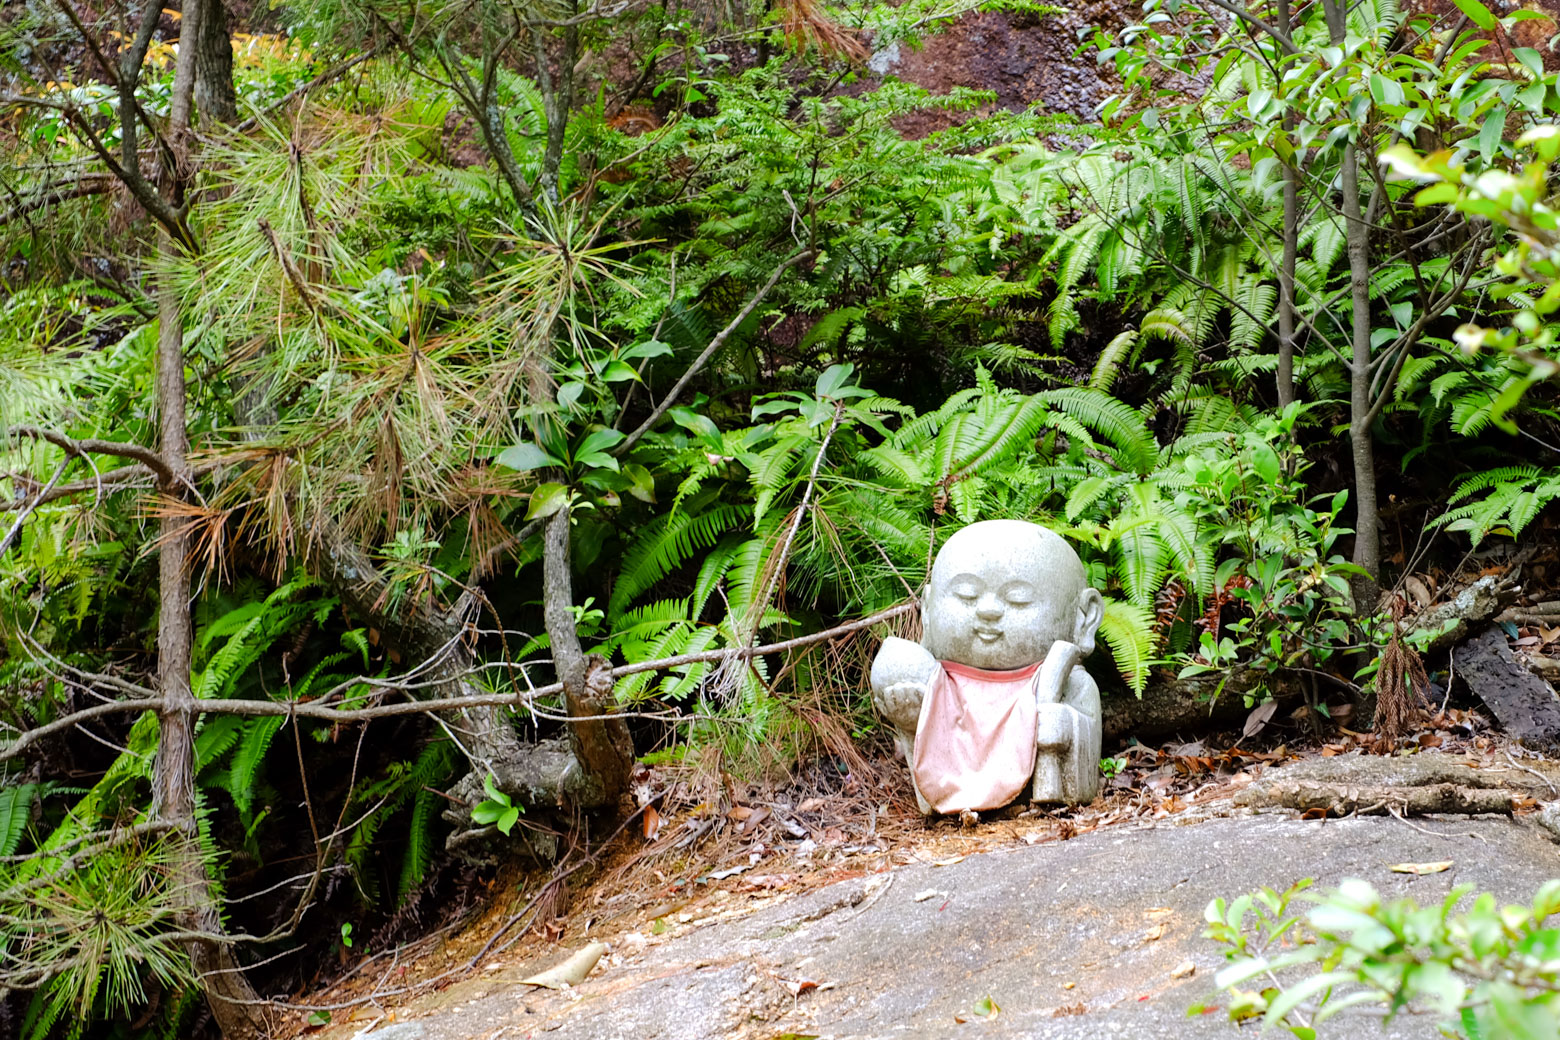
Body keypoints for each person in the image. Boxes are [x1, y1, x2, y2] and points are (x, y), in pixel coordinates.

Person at [871, 520, 1104, 813]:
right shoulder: (940, 686)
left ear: (1084, 617)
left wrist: (1064, 726)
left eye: (1018, 599)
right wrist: (914, 722)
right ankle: (950, 799)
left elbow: (1084, 744)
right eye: (967, 595)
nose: (988, 610)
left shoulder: (1072, 684)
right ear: (927, 609)